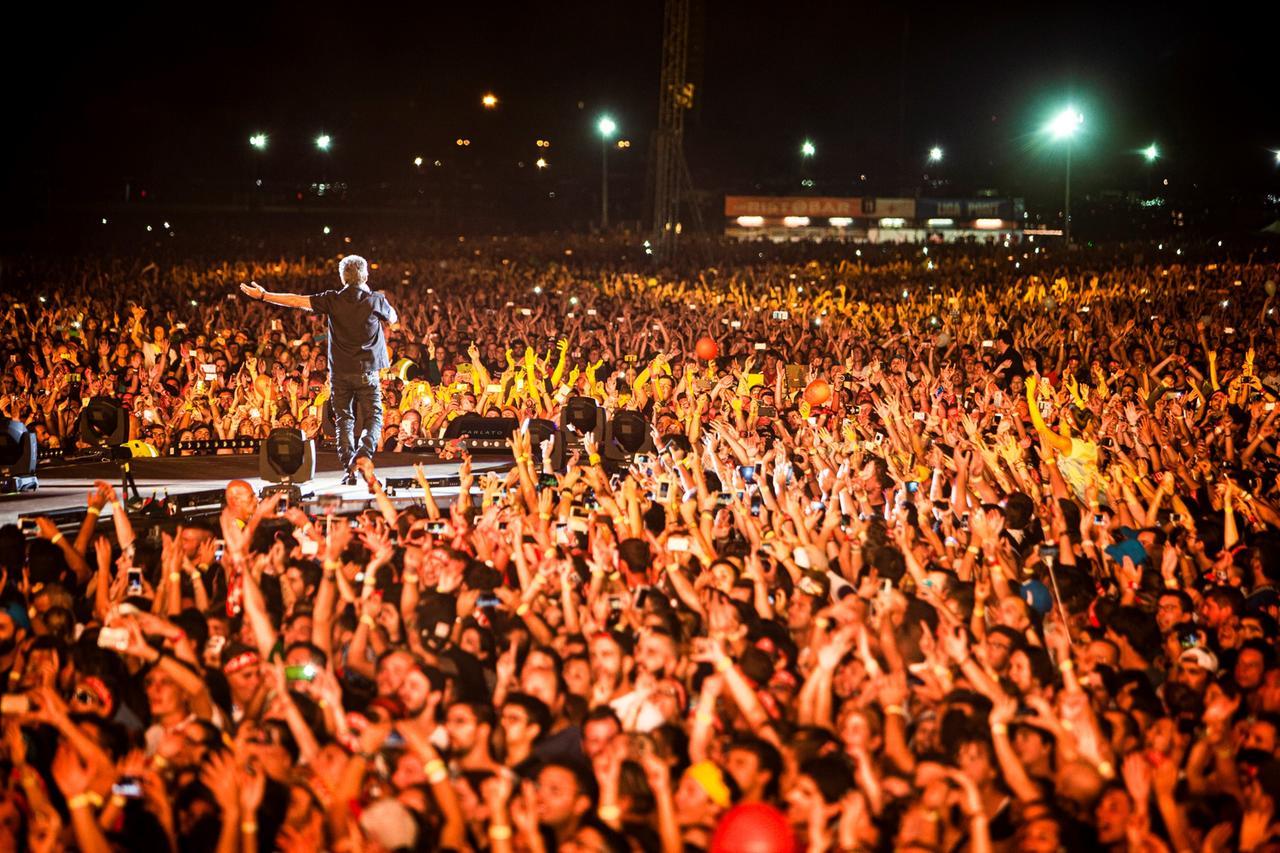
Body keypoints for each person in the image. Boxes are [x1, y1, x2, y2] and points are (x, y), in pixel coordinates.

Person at [239, 254, 398, 485]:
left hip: (340, 373)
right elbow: (392, 318)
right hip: (367, 371)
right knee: (374, 416)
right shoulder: (375, 300)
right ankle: (362, 455)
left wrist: (264, 295)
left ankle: (349, 468)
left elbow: (296, 300)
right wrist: (368, 290)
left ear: (342, 278)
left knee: (344, 420)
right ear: (365, 275)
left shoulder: (333, 299)